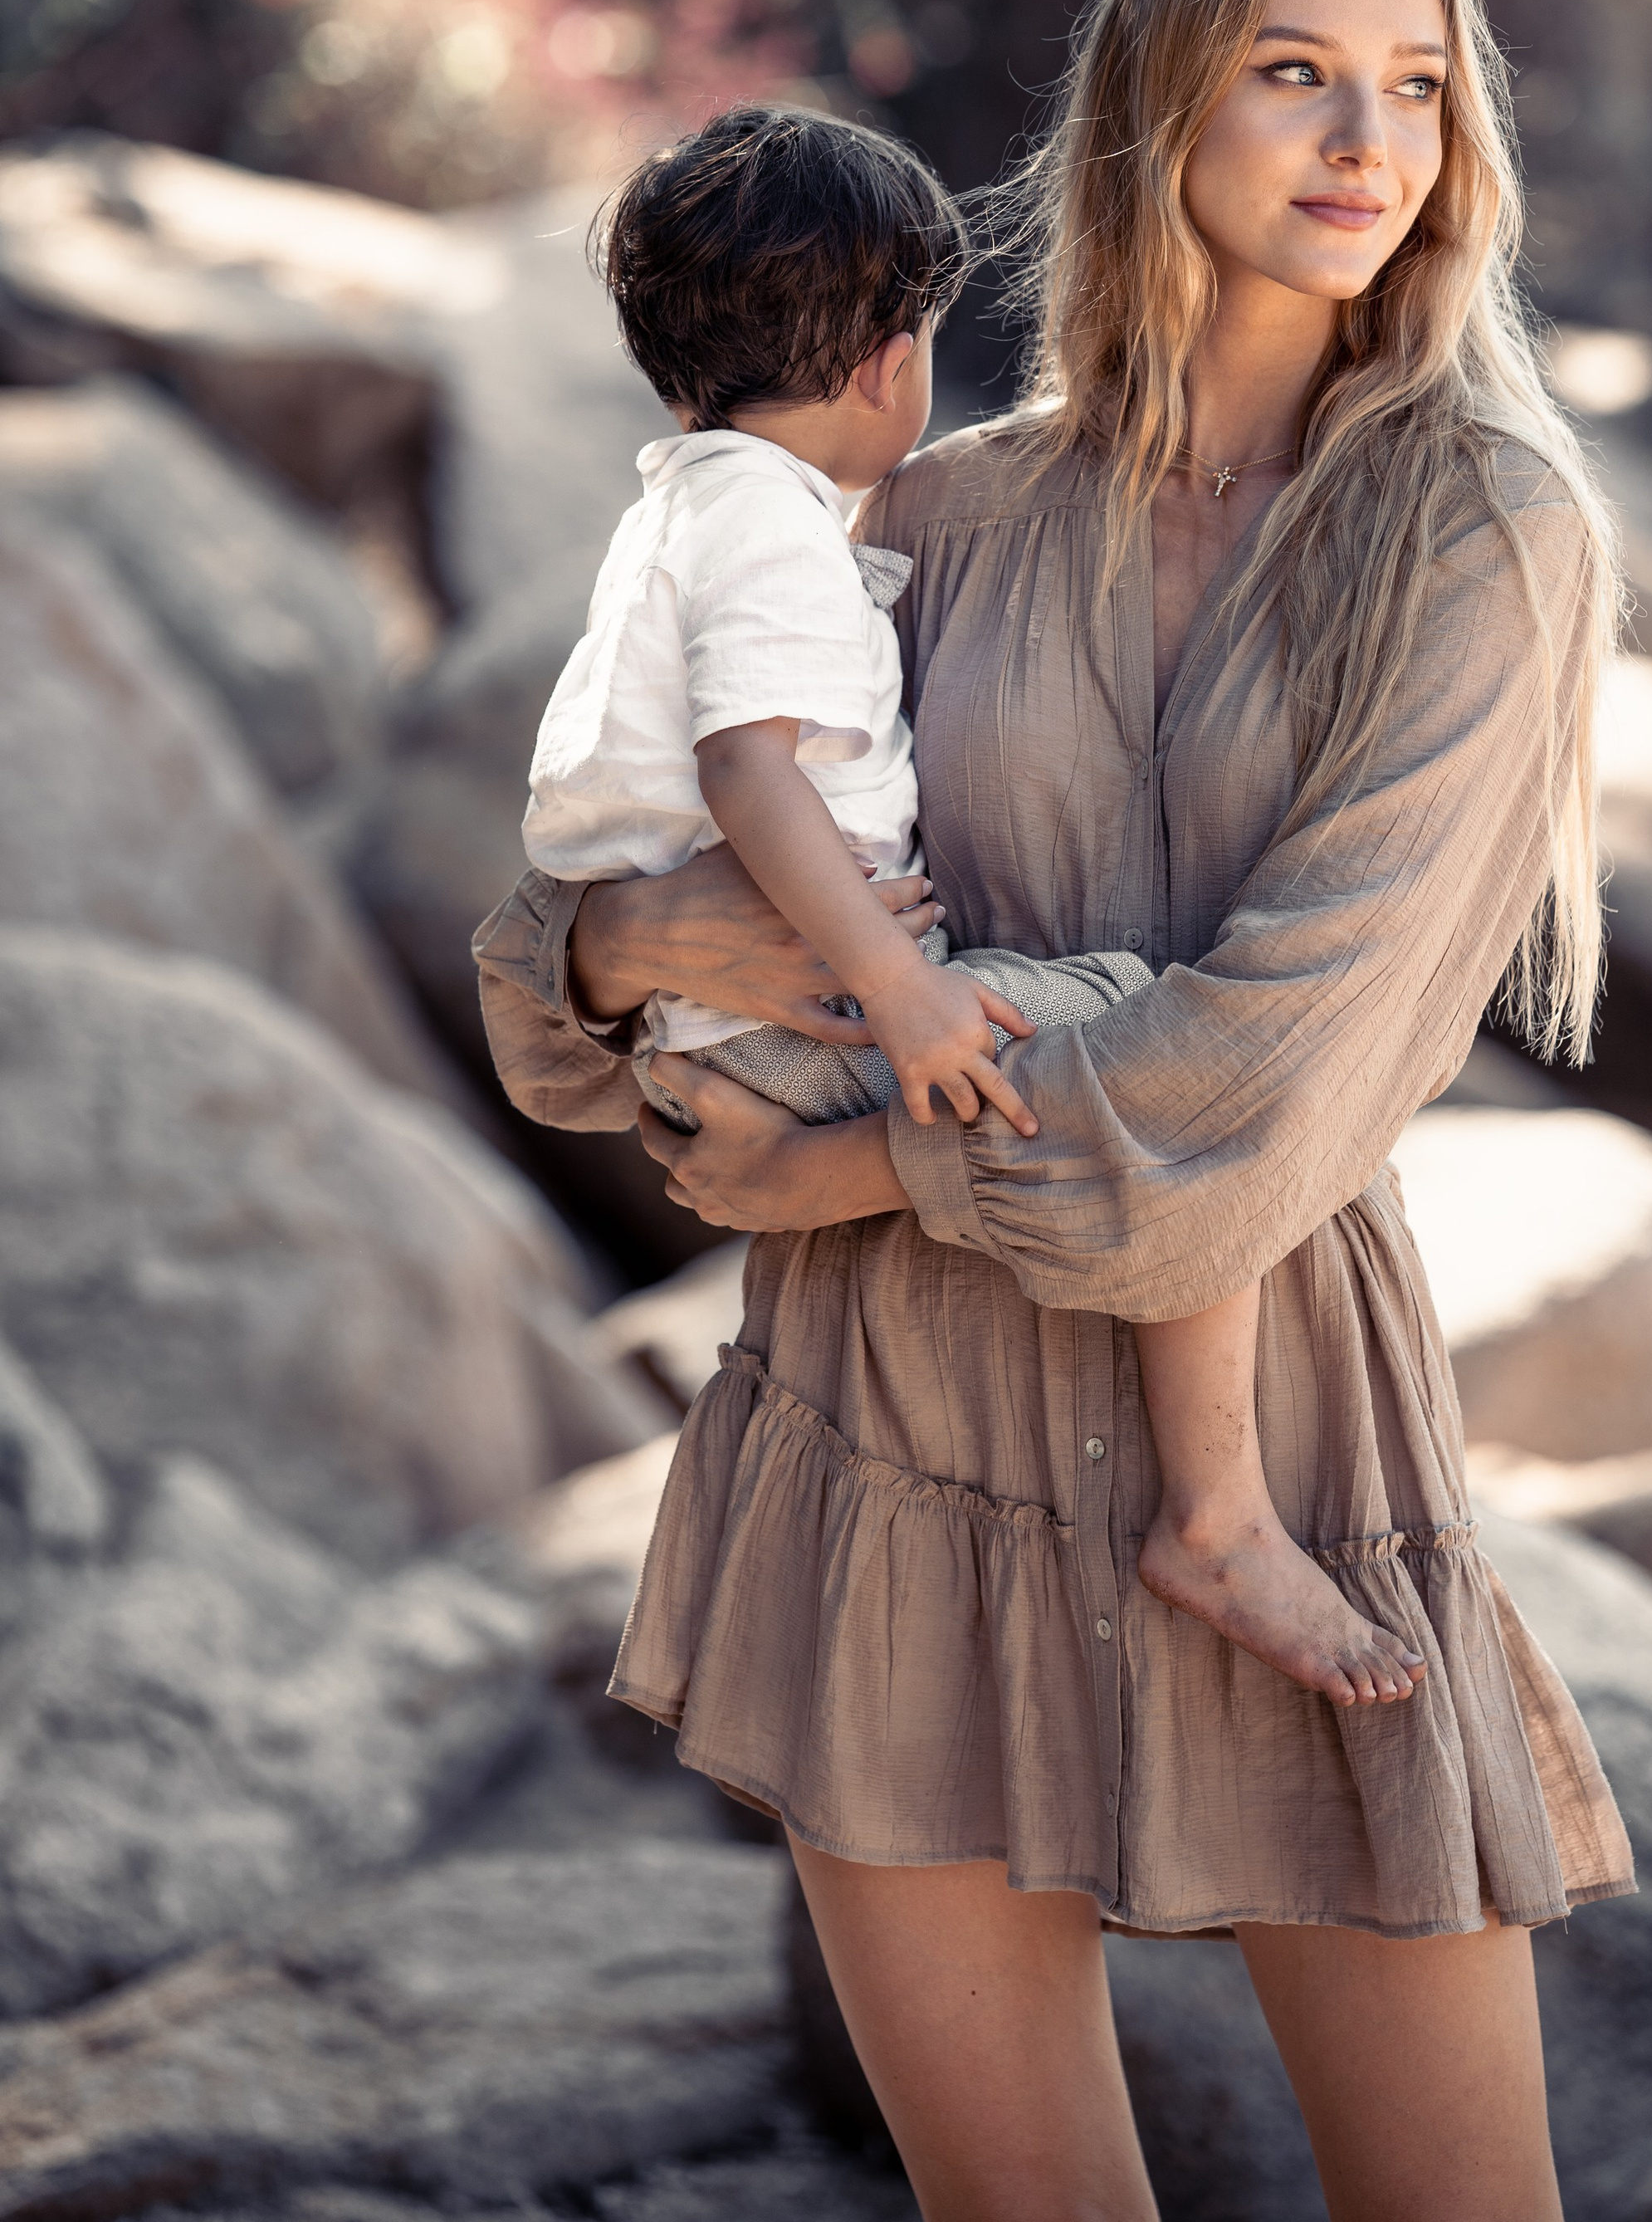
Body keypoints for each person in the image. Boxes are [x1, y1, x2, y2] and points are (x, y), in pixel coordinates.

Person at [477, 0, 1635, 2222]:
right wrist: (629, 956)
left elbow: (1281, 1061)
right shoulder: (932, 516)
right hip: (887, 1435)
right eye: (1296, 73)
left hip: (1277, 1445)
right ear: (1157, 111)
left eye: (1415, 91)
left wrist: (861, 1162)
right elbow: (574, 946)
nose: (1362, 145)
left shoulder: (1482, 531)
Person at [521, 104, 1425, 1706]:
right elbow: (751, 773)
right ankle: (1218, 1512)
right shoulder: (779, 532)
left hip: (716, 1028)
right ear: (890, 360)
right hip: (800, 1020)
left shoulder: (689, 507)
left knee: (1119, 1039)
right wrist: (905, 985)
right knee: (1150, 1046)